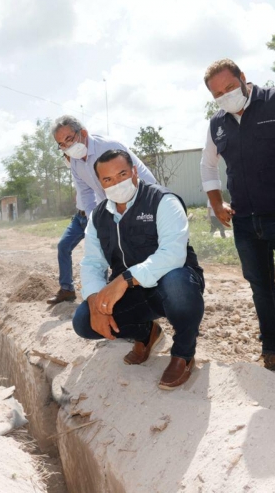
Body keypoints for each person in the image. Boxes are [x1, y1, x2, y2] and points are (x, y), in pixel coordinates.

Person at [201, 58, 275, 396]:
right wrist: (216, 204)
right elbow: (207, 165)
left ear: (243, 78)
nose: (225, 96)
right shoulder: (218, 124)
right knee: (261, 289)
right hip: (244, 221)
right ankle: (274, 351)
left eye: (228, 87)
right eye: (217, 94)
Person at [72, 150, 205, 390]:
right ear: (100, 184)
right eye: (108, 179)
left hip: (173, 283)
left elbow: (173, 254)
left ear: (134, 172)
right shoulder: (98, 217)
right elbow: (92, 263)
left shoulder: (162, 201)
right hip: (134, 294)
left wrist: (124, 280)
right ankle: (145, 333)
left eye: (122, 173)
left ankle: (183, 354)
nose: (117, 183)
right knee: (84, 321)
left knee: (176, 283)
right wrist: (94, 300)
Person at [46, 116, 156, 305]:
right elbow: (86, 195)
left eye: (69, 139)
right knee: (109, 250)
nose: (66, 146)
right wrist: (94, 224)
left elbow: (130, 180)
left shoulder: (108, 147)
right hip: (113, 205)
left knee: (138, 251)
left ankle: (147, 296)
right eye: (61, 144)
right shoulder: (75, 162)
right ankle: (107, 293)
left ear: (83, 133)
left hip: (141, 199)